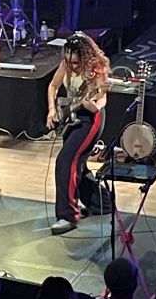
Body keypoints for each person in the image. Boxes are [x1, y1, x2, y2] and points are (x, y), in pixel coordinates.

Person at [44, 32, 109, 236]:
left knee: (65, 161)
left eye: (75, 62)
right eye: (69, 61)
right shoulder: (65, 64)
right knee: (77, 163)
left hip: (90, 120)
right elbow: (53, 86)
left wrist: (95, 106)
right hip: (71, 116)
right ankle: (101, 204)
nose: (71, 65)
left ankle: (67, 215)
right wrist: (52, 110)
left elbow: (102, 96)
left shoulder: (96, 68)